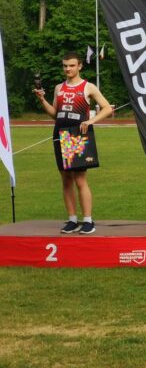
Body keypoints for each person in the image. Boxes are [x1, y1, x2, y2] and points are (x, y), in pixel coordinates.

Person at [34, 52, 113, 234]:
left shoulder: (88, 87)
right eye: (65, 66)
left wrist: (91, 121)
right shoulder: (58, 88)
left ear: (79, 66)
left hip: (77, 134)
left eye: (71, 65)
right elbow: (55, 114)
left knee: (79, 179)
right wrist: (42, 99)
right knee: (66, 179)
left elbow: (107, 108)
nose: (67, 69)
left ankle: (88, 221)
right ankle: (72, 220)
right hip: (59, 134)